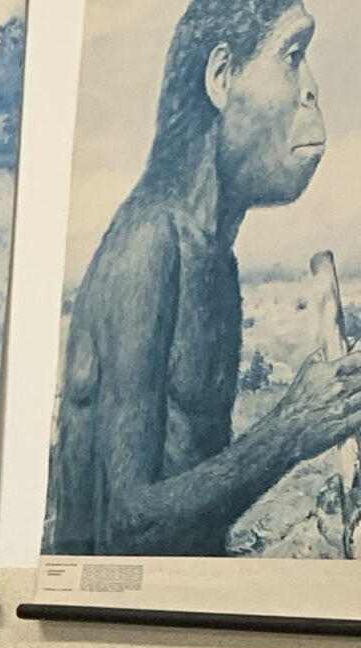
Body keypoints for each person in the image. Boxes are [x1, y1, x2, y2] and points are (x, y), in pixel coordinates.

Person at [47, 0, 361, 555]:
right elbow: (124, 522)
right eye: (292, 55)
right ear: (222, 77)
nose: (311, 89)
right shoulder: (148, 243)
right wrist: (290, 429)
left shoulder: (214, 257)